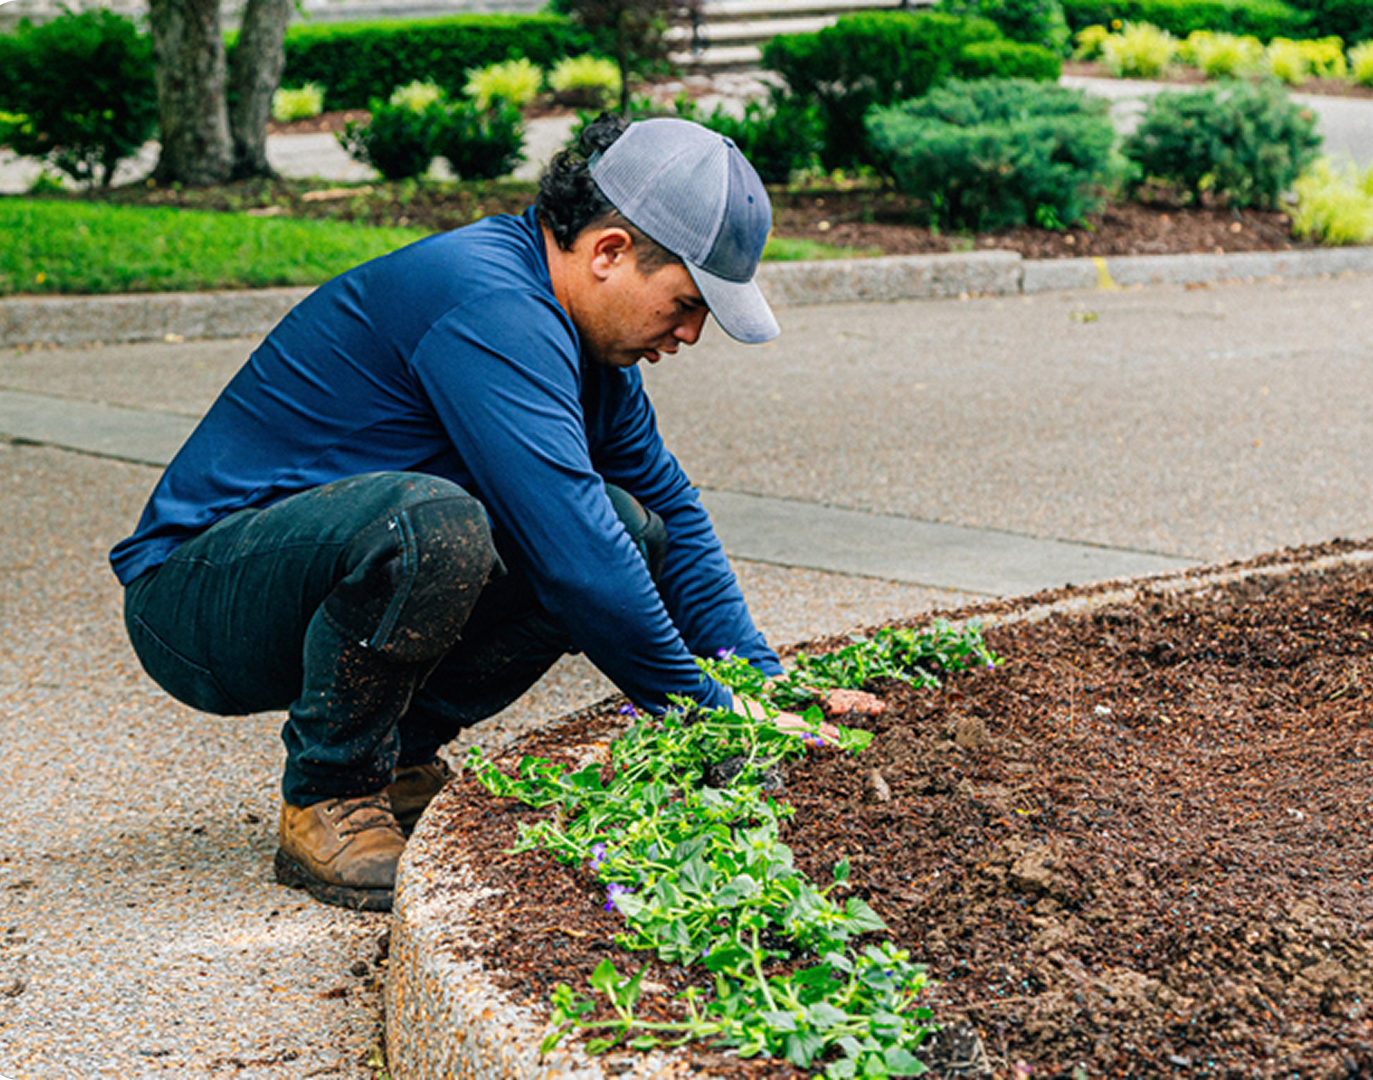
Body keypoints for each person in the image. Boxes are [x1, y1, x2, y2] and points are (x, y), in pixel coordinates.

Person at [109, 114, 853, 913]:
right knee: (438, 525)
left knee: (629, 525)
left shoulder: (589, 352)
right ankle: (329, 791)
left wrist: (762, 684)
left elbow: (664, 511)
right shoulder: (489, 303)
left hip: (326, 572)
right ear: (609, 253)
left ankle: (396, 760)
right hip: (194, 596)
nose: (693, 332)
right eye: (686, 301)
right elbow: (579, 562)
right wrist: (709, 715)